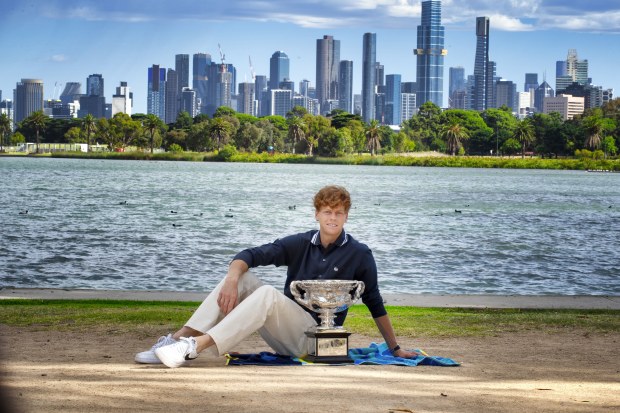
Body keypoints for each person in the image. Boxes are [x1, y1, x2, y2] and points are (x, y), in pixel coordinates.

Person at [135, 185, 418, 368]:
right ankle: (176, 340)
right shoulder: (299, 243)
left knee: (268, 295)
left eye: (339, 213)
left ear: (347, 216)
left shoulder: (360, 253)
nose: (333, 218)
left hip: (316, 341)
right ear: (317, 214)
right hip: (285, 332)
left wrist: (394, 349)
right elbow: (250, 254)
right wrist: (233, 279)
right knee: (243, 278)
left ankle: (193, 347)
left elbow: (374, 302)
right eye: (328, 212)